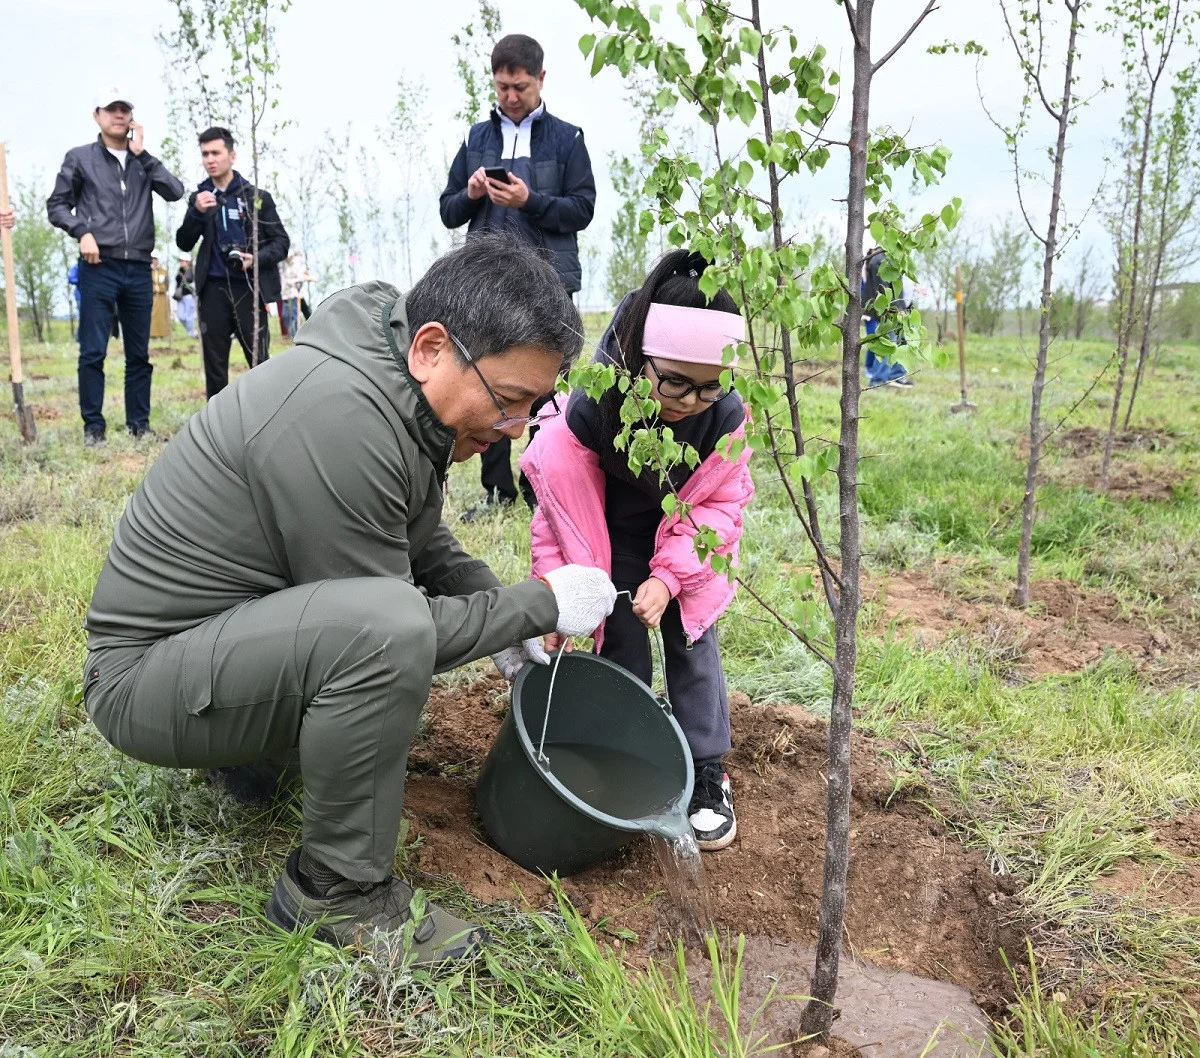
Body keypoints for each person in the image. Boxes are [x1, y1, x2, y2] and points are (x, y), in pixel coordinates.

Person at [81, 233, 618, 965]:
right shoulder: (342, 416)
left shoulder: (391, 379)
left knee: (374, 624)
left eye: (533, 406)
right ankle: (338, 896)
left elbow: (418, 541)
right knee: (383, 632)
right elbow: (393, 625)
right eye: (509, 401)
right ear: (431, 347)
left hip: (210, 646)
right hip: (143, 683)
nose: (514, 429)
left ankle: (251, 759)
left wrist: (495, 610)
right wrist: (535, 604)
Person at [520, 249, 754, 852]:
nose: (688, 401)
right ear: (639, 357)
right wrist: (556, 595)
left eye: (709, 387)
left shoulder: (723, 420)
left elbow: (719, 509)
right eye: (674, 380)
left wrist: (672, 578)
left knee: (691, 638)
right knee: (616, 630)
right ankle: (628, 748)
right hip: (610, 531)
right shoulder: (594, 406)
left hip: (688, 537)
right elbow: (562, 508)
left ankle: (705, 769)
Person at [441, 33, 596, 516]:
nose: (511, 96)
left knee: (546, 390)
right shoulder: (476, 138)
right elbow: (448, 211)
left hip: (548, 283)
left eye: (521, 87)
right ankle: (497, 491)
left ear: (541, 80)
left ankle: (545, 487)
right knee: (490, 383)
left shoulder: (568, 138)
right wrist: (470, 194)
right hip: (488, 284)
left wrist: (531, 202)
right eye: (503, 87)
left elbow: (583, 209)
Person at [47, 86, 185, 445]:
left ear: (132, 117)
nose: (118, 115)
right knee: (93, 350)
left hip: (139, 268)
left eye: (124, 109)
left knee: (139, 353)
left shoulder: (143, 163)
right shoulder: (80, 158)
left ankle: (139, 425)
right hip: (99, 267)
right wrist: (82, 232)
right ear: (97, 115)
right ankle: (94, 428)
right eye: (111, 109)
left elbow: (174, 191)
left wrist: (144, 155)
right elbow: (57, 205)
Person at [176, 126, 290, 399]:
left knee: (259, 361)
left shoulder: (257, 197)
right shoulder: (199, 198)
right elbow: (184, 242)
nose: (210, 160)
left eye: (216, 153)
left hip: (249, 290)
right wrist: (196, 212)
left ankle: (264, 418)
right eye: (205, 154)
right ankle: (217, 430)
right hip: (212, 290)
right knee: (215, 367)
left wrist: (256, 258)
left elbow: (281, 243)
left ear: (232, 155)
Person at [861, 246, 916, 389]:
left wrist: (904, 308)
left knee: (903, 342)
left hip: (900, 308)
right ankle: (878, 380)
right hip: (887, 312)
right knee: (887, 344)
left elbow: (898, 288)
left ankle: (897, 376)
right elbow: (883, 289)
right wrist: (894, 309)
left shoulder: (894, 259)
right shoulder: (879, 260)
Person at [279, 250, 314, 339]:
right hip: (285, 294)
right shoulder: (282, 265)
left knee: (295, 315)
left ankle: (297, 336)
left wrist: (307, 277)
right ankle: (293, 335)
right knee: (285, 316)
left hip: (295, 293)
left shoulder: (296, 264)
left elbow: (300, 277)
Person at [173, 253, 197, 338]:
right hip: (180, 296)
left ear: (187, 261)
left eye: (183, 261)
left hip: (189, 296)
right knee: (180, 316)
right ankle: (192, 332)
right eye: (180, 260)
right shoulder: (180, 271)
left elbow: (196, 282)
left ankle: (191, 334)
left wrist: (192, 286)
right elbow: (177, 282)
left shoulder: (192, 270)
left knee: (189, 316)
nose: (181, 262)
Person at [150, 252, 170, 339]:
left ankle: (162, 334)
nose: (155, 261)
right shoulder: (148, 271)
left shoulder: (163, 271)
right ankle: (152, 335)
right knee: (152, 315)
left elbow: (167, 284)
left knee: (161, 316)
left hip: (162, 297)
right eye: (153, 259)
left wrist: (161, 288)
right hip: (152, 296)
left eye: (156, 259)